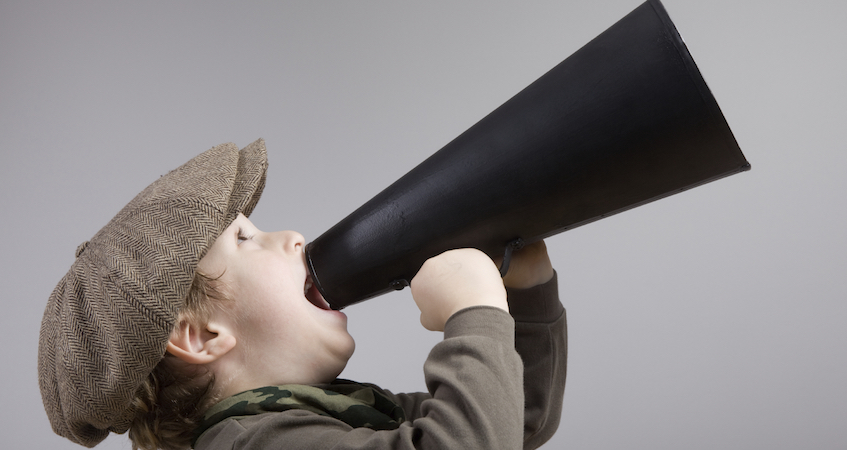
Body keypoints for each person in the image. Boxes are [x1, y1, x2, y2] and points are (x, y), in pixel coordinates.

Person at [39, 139, 567, 450]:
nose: (293, 237)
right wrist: (472, 312)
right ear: (200, 335)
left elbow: (509, 423)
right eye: (245, 239)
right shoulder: (256, 443)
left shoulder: (322, 412)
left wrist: (525, 290)